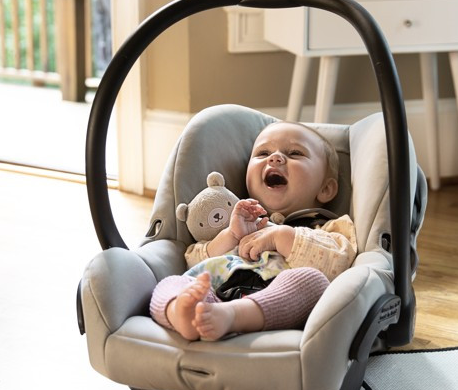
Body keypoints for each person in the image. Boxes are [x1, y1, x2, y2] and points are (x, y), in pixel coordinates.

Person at [149, 121, 357, 341]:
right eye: (263, 153)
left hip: (276, 307)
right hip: (213, 301)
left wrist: (280, 237)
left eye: (295, 153)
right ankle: (184, 314)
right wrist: (230, 236)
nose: (275, 158)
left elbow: (338, 265)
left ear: (325, 189)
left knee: (312, 282)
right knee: (171, 282)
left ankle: (233, 316)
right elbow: (193, 261)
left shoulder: (328, 227)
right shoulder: (234, 220)